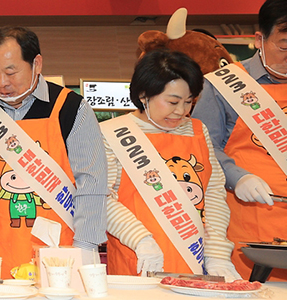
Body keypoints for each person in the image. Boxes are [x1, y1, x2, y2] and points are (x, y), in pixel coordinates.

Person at [0, 26, 107, 278]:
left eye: (11, 72)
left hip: (59, 256)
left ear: (36, 64)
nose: (2, 82)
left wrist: (86, 244)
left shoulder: (71, 108)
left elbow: (92, 180)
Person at [102, 49, 238, 280]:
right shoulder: (112, 132)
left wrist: (217, 253)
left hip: (194, 255)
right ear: (144, 95)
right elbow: (101, 198)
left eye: (189, 102)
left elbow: (213, 193)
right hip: (139, 255)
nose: (181, 111)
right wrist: (141, 240)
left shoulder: (197, 131)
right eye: (172, 102)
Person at [193, 0, 287, 280]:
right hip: (248, 223)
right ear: (259, 40)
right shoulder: (224, 84)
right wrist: (238, 177)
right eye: (284, 46)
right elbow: (203, 146)